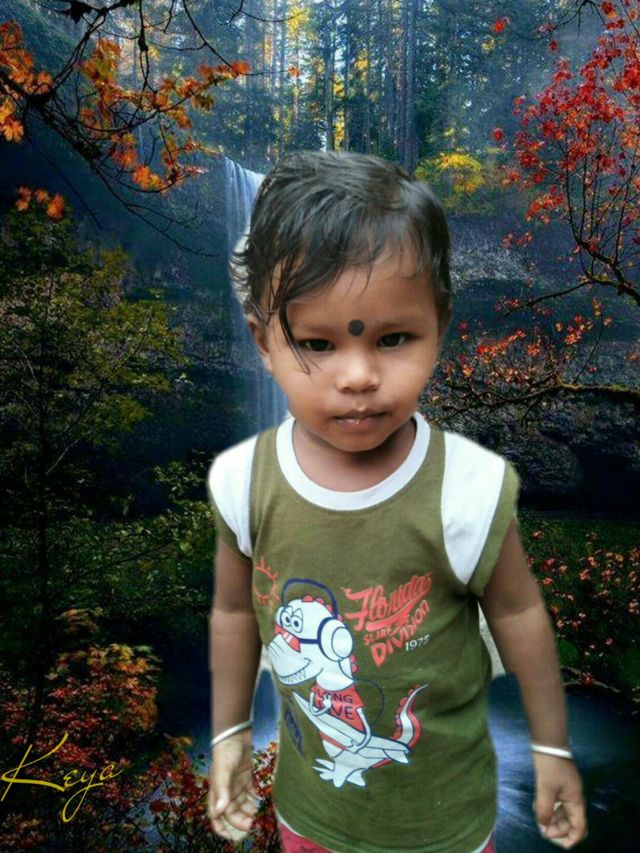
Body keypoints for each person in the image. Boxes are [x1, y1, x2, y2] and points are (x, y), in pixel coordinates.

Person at [207, 150, 586, 852]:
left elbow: (518, 613)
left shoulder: (467, 488)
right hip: (308, 820)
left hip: (443, 830)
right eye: (316, 343)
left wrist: (552, 746)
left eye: (393, 338)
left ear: (439, 325)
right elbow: (234, 612)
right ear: (263, 342)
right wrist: (230, 732)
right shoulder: (242, 482)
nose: (358, 375)